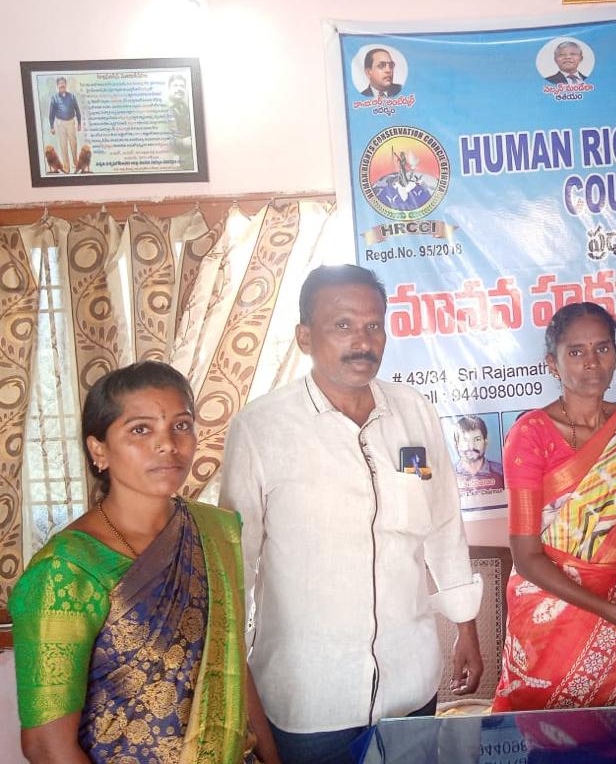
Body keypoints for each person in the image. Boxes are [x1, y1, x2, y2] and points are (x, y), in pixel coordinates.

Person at [220, 264, 483, 764]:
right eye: (342, 325)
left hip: (411, 683)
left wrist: (465, 625)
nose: (363, 341)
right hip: (310, 700)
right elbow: (237, 566)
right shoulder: (260, 429)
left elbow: (444, 524)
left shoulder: (413, 412)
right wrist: (239, 689)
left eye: (373, 325)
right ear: (304, 336)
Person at [10, 361, 278, 764]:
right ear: (99, 450)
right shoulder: (67, 570)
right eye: (140, 430)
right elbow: (47, 747)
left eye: (181, 425)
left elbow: (231, 667)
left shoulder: (215, 532)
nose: (167, 444)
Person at [492, 302, 616, 711]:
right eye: (576, 351)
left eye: (602, 348)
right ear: (552, 363)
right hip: (553, 615)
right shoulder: (530, 435)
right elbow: (526, 556)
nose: (591, 362)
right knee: (548, 733)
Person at [452, 414, 505, 492]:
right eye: (465, 440)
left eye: (477, 439)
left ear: (486, 441)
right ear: (456, 444)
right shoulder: (448, 475)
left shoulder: (502, 472)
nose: (471, 447)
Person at [48, 76, 81, 173]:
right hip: (60, 124)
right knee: (63, 145)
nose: (62, 85)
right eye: (60, 83)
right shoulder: (54, 98)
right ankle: (66, 166)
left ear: (66, 85)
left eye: (63, 83)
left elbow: (77, 109)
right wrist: (51, 126)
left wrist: (79, 123)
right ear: (57, 85)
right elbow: (51, 113)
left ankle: (75, 162)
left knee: (73, 143)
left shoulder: (72, 96)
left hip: (71, 123)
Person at [166, 74, 194, 170]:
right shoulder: (164, 109)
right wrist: (182, 142)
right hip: (174, 160)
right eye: (175, 85)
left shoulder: (186, 107)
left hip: (189, 159)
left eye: (182, 86)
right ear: (169, 88)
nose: (179, 89)